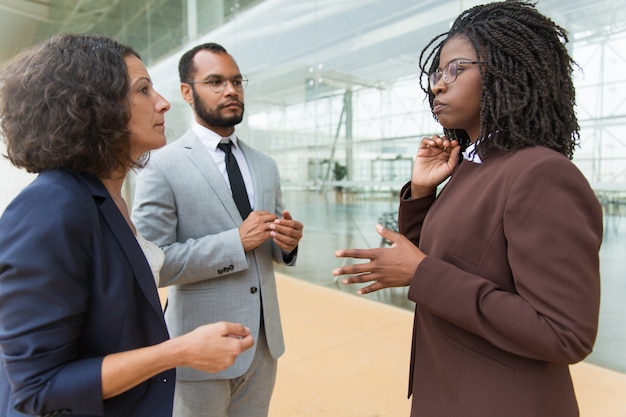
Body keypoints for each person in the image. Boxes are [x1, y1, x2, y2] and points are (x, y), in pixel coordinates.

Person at [332, 2, 603, 416]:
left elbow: (565, 333)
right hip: (447, 391)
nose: (439, 85)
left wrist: (420, 274)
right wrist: (423, 191)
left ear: (505, 70)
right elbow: (446, 261)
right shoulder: (472, 167)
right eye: (437, 73)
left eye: (456, 69)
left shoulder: (541, 173)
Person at [0, 34, 254, 417]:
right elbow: (39, 388)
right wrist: (181, 350)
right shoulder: (51, 206)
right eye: (143, 89)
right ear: (94, 107)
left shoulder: (106, 197)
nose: (164, 102)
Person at [131, 42, 303, 417]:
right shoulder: (162, 167)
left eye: (237, 81)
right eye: (216, 81)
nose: (231, 90)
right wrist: (234, 243)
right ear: (186, 92)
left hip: (263, 345)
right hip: (199, 348)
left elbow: (269, 245)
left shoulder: (265, 165)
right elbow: (151, 263)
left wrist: (286, 245)